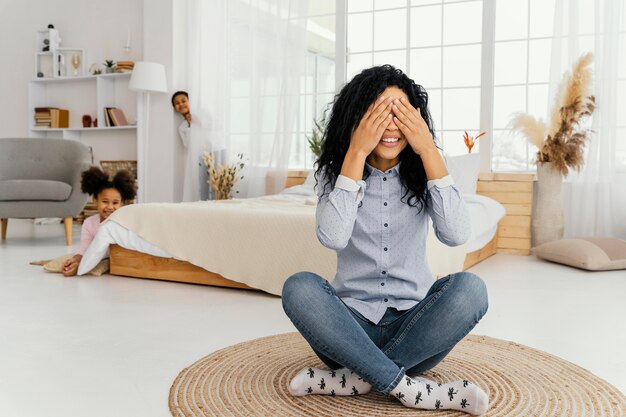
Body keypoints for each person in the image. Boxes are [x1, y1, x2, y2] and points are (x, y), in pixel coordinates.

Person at [281, 65, 490, 415]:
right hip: (349, 331)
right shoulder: (336, 174)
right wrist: (356, 154)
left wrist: (428, 150)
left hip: (415, 329)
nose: (391, 124)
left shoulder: (424, 172)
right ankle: (410, 389)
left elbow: (456, 234)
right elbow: (332, 236)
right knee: (299, 287)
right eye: (379, 112)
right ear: (357, 118)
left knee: (472, 289)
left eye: (401, 113)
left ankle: (357, 379)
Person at [62, 167, 136, 276]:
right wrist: (76, 260)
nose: (110, 207)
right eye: (105, 201)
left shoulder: (124, 222)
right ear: (95, 201)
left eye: (115, 203)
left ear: (121, 204)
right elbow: (84, 249)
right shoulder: (89, 223)